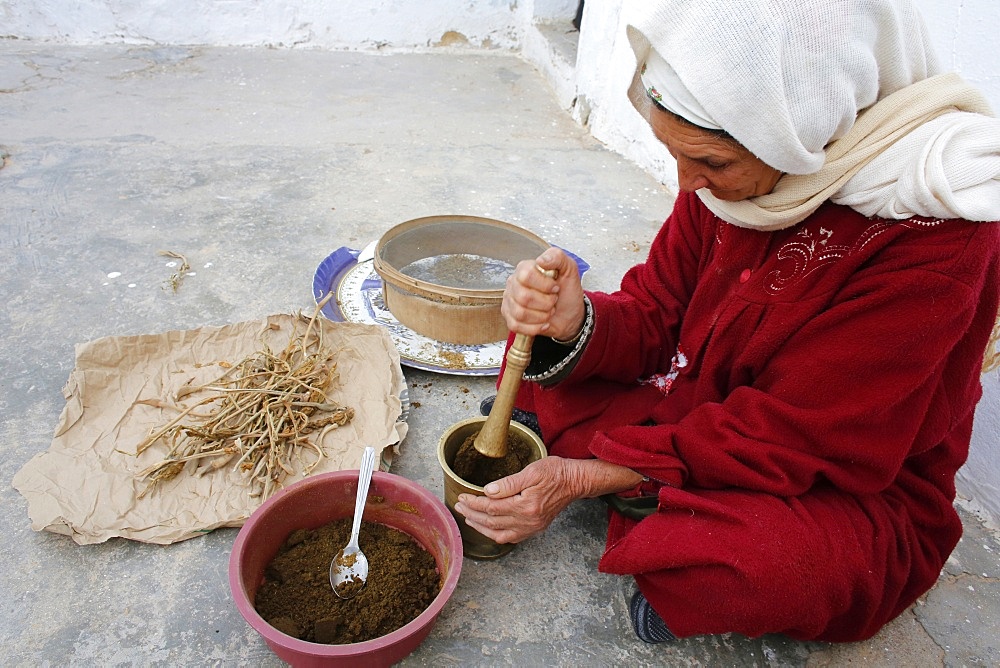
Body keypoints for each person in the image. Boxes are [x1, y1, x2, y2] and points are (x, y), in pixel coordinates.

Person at [454, 0, 1000, 644]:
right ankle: (644, 485)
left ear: (803, 130)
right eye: (674, 154)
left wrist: (586, 476)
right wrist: (577, 323)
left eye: (711, 164)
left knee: (769, 569)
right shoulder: (727, 181)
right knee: (544, 339)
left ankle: (645, 501)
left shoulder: (937, 231)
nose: (687, 185)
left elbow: (799, 438)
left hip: (833, 473)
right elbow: (658, 312)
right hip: (699, 403)